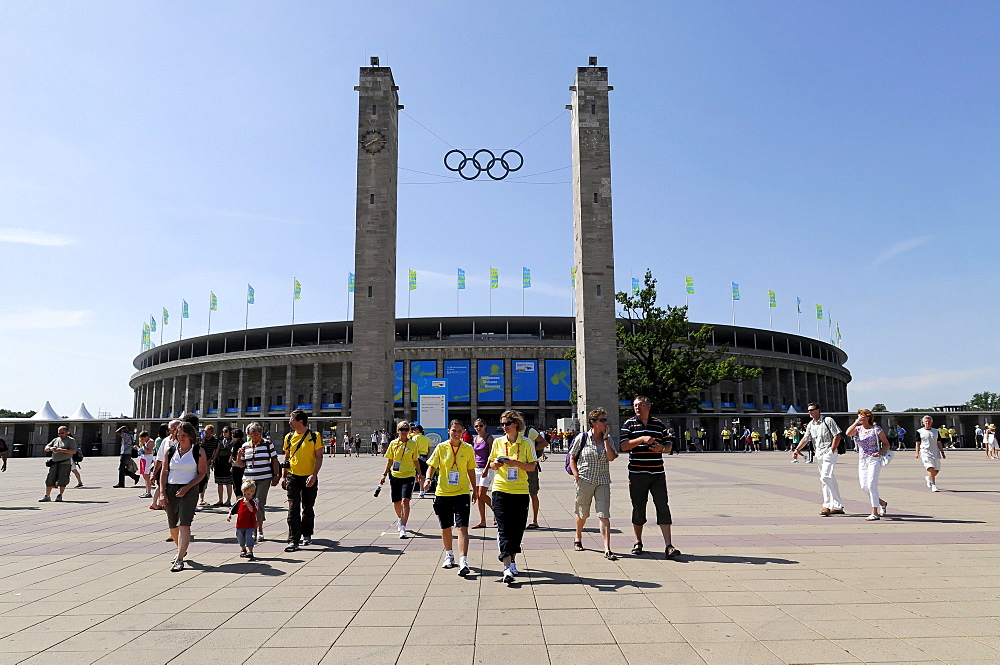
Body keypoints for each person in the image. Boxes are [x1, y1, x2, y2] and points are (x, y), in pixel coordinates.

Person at [620, 396, 680, 559]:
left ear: (648, 406)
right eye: (635, 405)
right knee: (639, 507)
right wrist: (641, 439)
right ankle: (638, 541)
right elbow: (623, 446)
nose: (637, 408)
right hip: (637, 474)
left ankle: (669, 545)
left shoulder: (659, 424)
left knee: (663, 506)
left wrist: (661, 448)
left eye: (640, 405)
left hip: (657, 473)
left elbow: (668, 446)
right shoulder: (629, 424)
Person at [423, 420, 477, 576]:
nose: (456, 433)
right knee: (446, 527)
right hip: (443, 493)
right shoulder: (441, 447)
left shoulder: (467, 448)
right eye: (454, 430)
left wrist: (475, 490)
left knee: (462, 527)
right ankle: (449, 555)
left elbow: (471, 470)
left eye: (459, 431)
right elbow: (432, 465)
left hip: (461, 492)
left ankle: (463, 561)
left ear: (463, 432)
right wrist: (428, 479)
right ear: (449, 431)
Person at [488, 410, 537, 585]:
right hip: (500, 489)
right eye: (502, 424)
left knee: (517, 529)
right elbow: (492, 463)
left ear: (516, 424)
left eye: (507, 423)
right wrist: (496, 464)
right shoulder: (498, 442)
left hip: (520, 491)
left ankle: (513, 560)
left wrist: (514, 463)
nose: (504, 427)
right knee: (503, 528)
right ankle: (507, 567)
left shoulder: (527, 443)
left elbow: (532, 467)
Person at [569, 407, 619, 559]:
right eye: (602, 420)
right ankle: (578, 537)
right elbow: (572, 457)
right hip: (585, 480)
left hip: (603, 481)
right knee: (582, 514)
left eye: (605, 420)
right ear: (593, 422)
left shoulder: (608, 439)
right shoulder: (582, 438)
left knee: (604, 514)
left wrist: (605, 439)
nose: (605, 423)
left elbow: (611, 458)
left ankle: (607, 549)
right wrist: (576, 474)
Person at [158, 422, 207, 571]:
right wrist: (161, 491)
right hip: (171, 488)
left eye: (184, 435)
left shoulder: (198, 451)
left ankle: (179, 559)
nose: (181, 438)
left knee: (184, 523)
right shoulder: (170, 451)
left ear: (190, 436)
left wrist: (186, 488)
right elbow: (164, 472)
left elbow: (201, 473)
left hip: (189, 488)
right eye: (178, 435)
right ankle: (181, 549)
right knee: (173, 525)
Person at [282, 410, 324, 552]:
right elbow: (287, 458)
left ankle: (307, 534)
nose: (289, 422)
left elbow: (319, 458)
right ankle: (293, 540)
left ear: (300, 421)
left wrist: (314, 475)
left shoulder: (314, 436)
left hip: (309, 477)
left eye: (291, 419)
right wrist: (284, 476)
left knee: (307, 507)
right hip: (293, 476)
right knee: (293, 508)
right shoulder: (288, 437)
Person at [792, 402, 844, 516]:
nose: (810, 412)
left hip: (829, 452)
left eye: (812, 409)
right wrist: (797, 449)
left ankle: (827, 505)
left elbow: (837, 436)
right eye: (808, 410)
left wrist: (832, 450)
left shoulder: (828, 420)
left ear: (818, 410)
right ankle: (837, 505)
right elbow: (806, 438)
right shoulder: (811, 424)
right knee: (829, 478)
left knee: (825, 477)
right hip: (819, 454)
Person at [379, 420, 422, 539]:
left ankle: (403, 527)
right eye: (402, 429)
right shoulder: (393, 444)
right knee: (396, 502)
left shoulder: (413, 444)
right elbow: (390, 461)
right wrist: (384, 474)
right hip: (395, 475)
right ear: (398, 431)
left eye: (406, 429)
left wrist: (420, 474)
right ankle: (400, 518)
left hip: (408, 475)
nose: (404, 432)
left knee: (405, 501)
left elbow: (415, 460)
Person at [846, 409, 891, 521]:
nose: (861, 417)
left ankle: (874, 512)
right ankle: (882, 502)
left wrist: (879, 453)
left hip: (873, 459)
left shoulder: (876, 429)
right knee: (864, 486)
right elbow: (847, 433)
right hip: (862, 460)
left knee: (871, 485)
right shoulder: (858, 429)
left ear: (869, 417)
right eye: (859, 416)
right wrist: (856, 422)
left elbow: (886, 445)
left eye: (863, 416)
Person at [239, 422, 280, 542]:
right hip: (248, 479)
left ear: (260, 433)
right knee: (249, 503)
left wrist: (276, 475)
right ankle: (252, 530)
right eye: (252, 434)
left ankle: (260, 530)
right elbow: (241, 464)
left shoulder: (267, 444)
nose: (255, 436)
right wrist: (239, 455)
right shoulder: (245, 446)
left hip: (264, 478)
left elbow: (274, 460)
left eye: (256, 433)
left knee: (259, 503)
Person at [39, 426, 77, 502]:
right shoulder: (56, 440)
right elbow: (46, 447)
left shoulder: (71, 440)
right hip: (54, 462)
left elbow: (73, 451)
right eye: (59, 433)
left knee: (63, 479)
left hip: (65, 463)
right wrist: (50, 448)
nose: (60, 434)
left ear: (66, 432)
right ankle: (47, 495)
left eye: (62, 433)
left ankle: (60, 495)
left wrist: (62, 450)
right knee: (50, 479)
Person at [470, 419, 494, 528]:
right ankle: (482, 521)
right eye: (476, 426)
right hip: (477, 468)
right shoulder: (475, 439)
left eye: (480, 425)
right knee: (478, 497)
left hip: (487, 468)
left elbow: (492, 454)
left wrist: (486, 468)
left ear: (485, 426)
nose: (478, 428)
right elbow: (474, 454)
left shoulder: (489, 438)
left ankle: (497, 512)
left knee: (481, 494)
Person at [227, 479, 259, 560]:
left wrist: (248, 504)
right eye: (244, 494)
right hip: (240, 524)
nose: (245, 496)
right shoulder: (240, 501)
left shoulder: (254, 501)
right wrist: (229, 514)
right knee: (240, 537)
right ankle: (243, 549)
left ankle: (250, 551)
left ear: (253, 492)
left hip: (250, 524)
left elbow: (253, 510)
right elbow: (233, 508)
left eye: (248, 494)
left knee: (249, 537)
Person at [524, 426, 548, 529]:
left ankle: (534, 520)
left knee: (533, 493)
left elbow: (544, 443)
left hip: (531, 466)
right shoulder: (511, 431)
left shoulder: (529, 431)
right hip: (516, 467)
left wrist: (531, 449)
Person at [916, 415, 946, 492]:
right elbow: (918, 443)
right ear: (923, 422)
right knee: (930, 467)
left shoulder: (936, 431)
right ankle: (933, 484)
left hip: (935, 452)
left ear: (931, 422)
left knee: (936, 470)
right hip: (925, 452)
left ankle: (929, 478)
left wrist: (942, 452)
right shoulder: (919, 432)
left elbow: (939, 442)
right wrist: (917, 452)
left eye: (929, 421)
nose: (927, 423)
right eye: (926, 421)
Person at [198, 425, 220, 508]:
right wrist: (201, 441)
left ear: (211, 432)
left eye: (207, 432)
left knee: (205, 480)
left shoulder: (215, 441)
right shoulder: (201, 439)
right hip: (198, 461)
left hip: (207, 461)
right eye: (205, 432)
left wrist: (212, 461)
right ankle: (199, 498)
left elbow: (215, 451)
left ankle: (201, 498)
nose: (206, 433)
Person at [212, 425, 235, 506]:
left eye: (226, 431)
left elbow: (232, 452)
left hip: (227, 462)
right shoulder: (220, 440)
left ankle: (228, 500)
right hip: (219, 461)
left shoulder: (232, 441)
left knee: (228, 482)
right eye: (223, 431)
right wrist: (213, 461)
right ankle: (220, 500)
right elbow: (217, 451)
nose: (224, 433)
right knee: (219, 482)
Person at [411, 424, 432, 498]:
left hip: (416, 457)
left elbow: (412, 448)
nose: (413, 431)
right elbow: (430, 449)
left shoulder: (415, 437)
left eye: (414, 429)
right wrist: (428, 458)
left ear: (418, 430)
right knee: (422, 476)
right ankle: (422, 492)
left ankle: (411, 490)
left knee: (413, 475)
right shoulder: (426, 439)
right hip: (424, 457)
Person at [137, 430, 155, 498]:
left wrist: (144, 444)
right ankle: (147, 491)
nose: (142, 440)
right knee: (144, 476)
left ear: (146, 437)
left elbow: (148, 451)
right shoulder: (144, 442)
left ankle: (149, 492)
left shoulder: (151, 442)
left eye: (143, 438)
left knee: (147, 476)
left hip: (148, 459)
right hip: (143, 458)